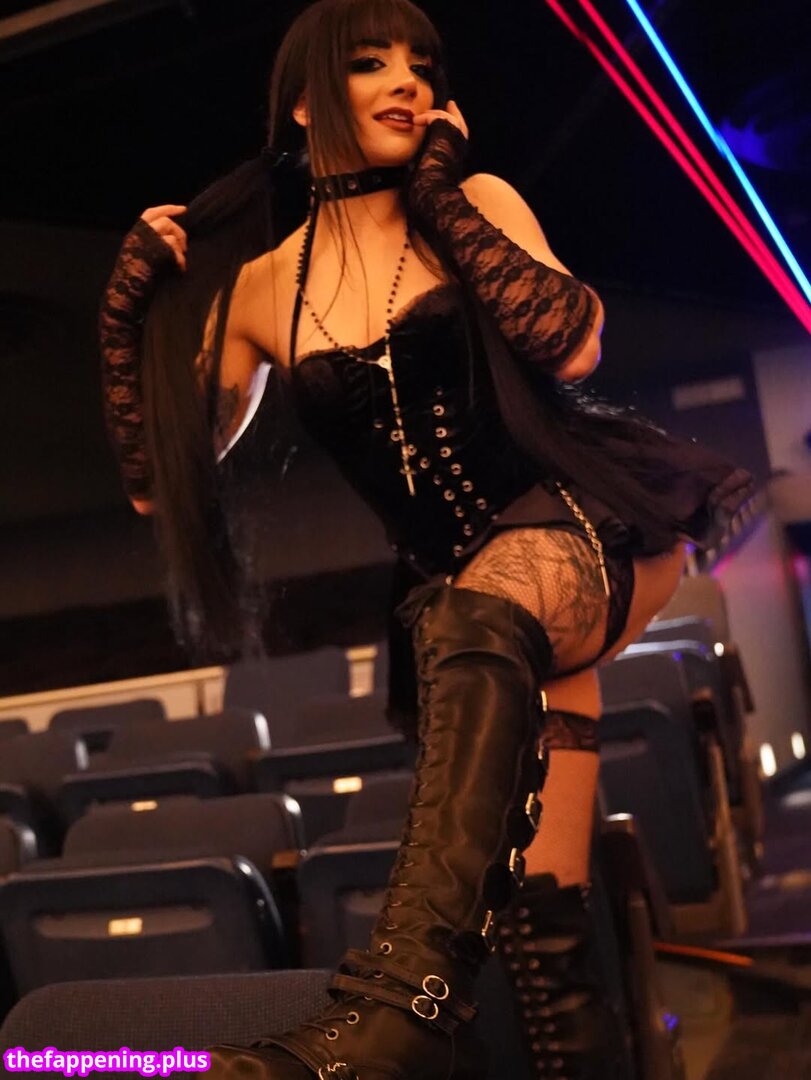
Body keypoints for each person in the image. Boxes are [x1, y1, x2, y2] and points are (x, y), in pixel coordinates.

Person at [99, 0, 753, 1075]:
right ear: (305, 103)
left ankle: (397, 1008)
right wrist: (126, 316)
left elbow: (571, 344)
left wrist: (443, 193)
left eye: (421, 63)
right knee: (542, 915)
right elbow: (154, 489)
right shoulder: (262, 290)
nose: (407, 79)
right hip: (472, 616)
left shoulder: (478, 201)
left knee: (473, 610)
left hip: (584, 527)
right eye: (372, 63)